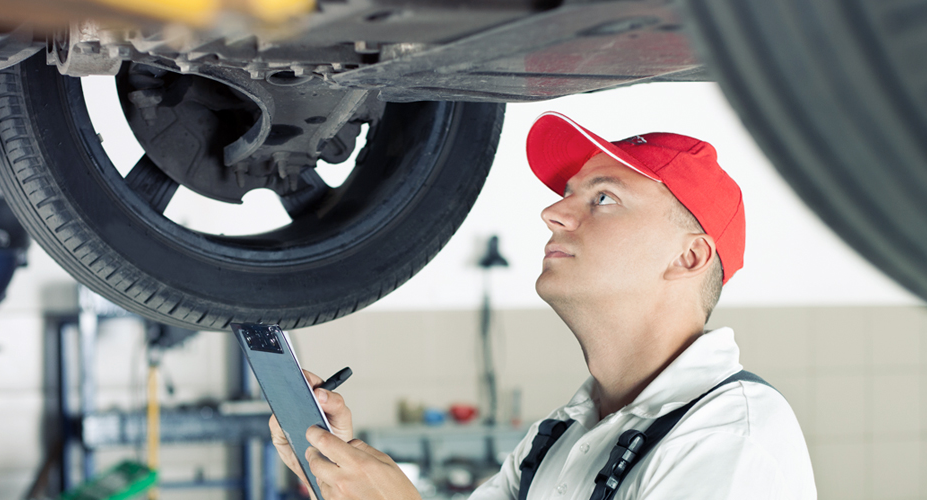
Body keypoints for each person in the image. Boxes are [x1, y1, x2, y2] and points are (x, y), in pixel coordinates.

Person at [269, 111, 817, 499]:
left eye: (603, 198)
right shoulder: (562, 436)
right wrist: (344, 472)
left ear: (690, 256)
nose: (553, 212)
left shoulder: (727, 438)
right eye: (568, 193)